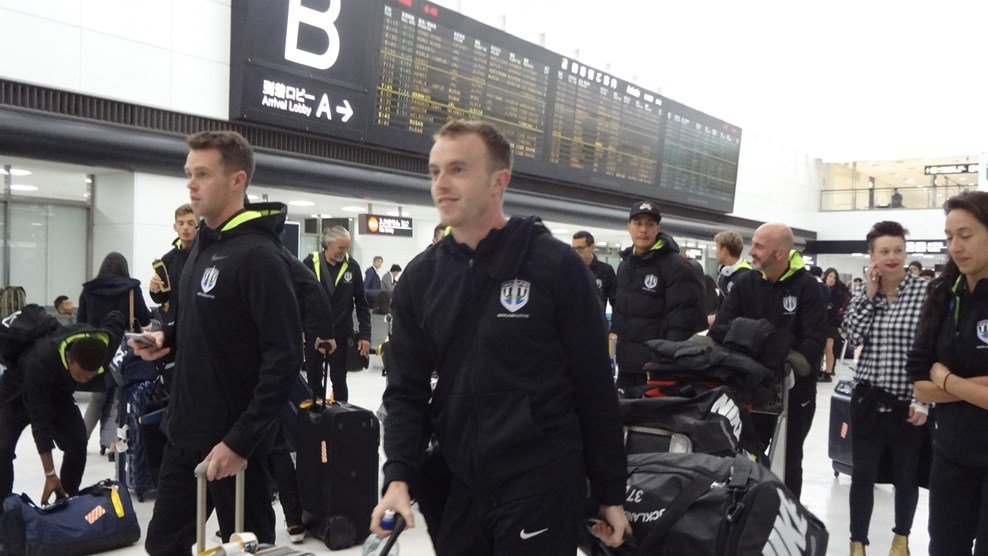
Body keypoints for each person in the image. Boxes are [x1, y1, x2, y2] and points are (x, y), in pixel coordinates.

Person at [370, 119, 629, 554]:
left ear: (499, 180)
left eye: (457, 170)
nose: (441, 185)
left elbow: (594, 384)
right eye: (434, 172)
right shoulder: (421, 277)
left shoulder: (555, 266)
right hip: (459, 483)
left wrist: (609, 491)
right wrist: (398, 476)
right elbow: (405, 391)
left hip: (541, 478)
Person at [130, 130, 303, 554]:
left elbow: (283, 360)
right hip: (185, 432)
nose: (190, 184)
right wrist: (166, 337)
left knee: (246, 546)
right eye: (189, 174)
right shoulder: (200, 251)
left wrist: (241, 442)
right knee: (163, 545)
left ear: (237, 180)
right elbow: (204, 324)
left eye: (202, 174)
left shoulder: (260, 256)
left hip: (234, 447)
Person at [708, 222, 826, 498]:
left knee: (789, 457)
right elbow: (720, 330)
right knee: (744, 453)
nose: (753, 251)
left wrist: (753, 340)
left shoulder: (807, 288)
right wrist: (774, 344)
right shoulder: (746, 283)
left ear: (780, 253)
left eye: (760, 246)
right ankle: (744, 510)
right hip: (748, 388)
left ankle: (787, 513)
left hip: (794, 393)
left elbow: (812, 344)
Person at [841, 221, 928, 556]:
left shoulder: (924, 293)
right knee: (862, 475)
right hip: (866, 397)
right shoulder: (866, 291)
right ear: (872, 255)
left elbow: (931, 348)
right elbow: (851, 335)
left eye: (898, 250)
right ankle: (857, 543)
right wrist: (870, 296)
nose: (892, 257)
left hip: (907, 403)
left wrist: (924, 400)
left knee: (907, 475)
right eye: (884, 251)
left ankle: (900, 540)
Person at [909, 191, 988, 555]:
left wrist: (945, 379)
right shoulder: (942, 293)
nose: (955, 246)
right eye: (949, 236)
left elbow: (932, 380)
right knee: (944, 547)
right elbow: (919, 382)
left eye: (966, 235)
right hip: (950, 453)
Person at [0, 307, 120, 501]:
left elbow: (116, 319)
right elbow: (40, 422)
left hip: (58, 392)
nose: (83, 380)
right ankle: (4, 509)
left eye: (90, 376)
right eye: (80, 374)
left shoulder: (103, 349)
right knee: (2, 448)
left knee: (78, 441)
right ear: (69, 358)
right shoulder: (40, 359)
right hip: (17, 390)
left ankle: (66, 498)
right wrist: (50, 474)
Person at [611, 200, 707, 388]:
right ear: (628, 227)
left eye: (650, 224)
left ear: (657, 229)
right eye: (638, 223)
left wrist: (666, 364)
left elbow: (683, 322)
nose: (643, 230)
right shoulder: (625, 265)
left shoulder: (676, 267)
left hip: (656, 370)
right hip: (627, 366)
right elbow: (620, 311)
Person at [77, 251, 151, 459]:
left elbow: (80, 321)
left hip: (96, 346)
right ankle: (112, 444)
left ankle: (79, 440)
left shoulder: (88, 290)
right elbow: (144, 316)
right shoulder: (131, 288)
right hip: (123, 346)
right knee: (119, 395)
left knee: (98, 397)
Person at [303, 226, 371, 402]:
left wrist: (365, 335)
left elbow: (362, 304)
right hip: (313, 332)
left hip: (341, 333)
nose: (345, 251)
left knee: (339, 379)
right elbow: (298, 298)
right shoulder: (310, 263)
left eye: (347, 247)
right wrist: (299, 328)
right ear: (328, 244)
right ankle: (315, 416)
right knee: (313, 378)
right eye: (341, 247)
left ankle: (342, 418)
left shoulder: (352, 267)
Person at [149, 203, 197, 312]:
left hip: (198, 319)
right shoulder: (168, 259)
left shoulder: (205, 255)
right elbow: (161, 299)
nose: (185, 227)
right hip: (175, 321)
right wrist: (155, 289)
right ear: (175, 227)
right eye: (181, 223)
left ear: (197, 226)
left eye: (190, 223)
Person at [572, 230, 617, 313]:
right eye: (574, 249)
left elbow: (616, 302)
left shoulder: (605, 270)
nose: (576, 253)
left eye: (580, 248)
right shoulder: (568, 270)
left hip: (596, 323)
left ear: (592, 247)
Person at [820, 267, 851, 382]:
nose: (832, 279)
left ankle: (828, 373)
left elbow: (834, 308)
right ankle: (821, 371)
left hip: (831, 323)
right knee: (820, 349)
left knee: (828, 349)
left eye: (834, 277)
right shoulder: (821, 288)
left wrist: (827, 307)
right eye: (830, 276)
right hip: (820, 323)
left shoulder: (838, 292)